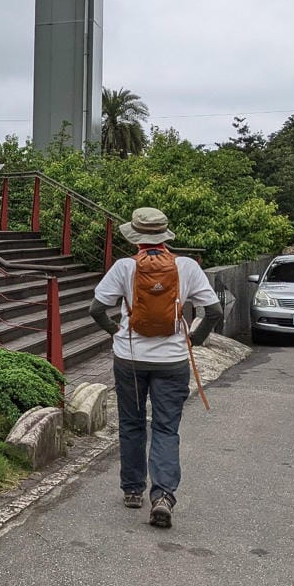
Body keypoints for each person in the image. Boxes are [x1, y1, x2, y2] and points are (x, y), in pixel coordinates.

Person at [88, 207, 223, 529]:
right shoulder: (187, 266)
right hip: (173, 361)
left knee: (131, 423)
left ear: (135, 238)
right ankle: (162, 496)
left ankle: (133, 490)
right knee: (165, 428)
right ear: (165, 235)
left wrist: (116, 332)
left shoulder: (124, 267)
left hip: (130, 359)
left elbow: (96, 309)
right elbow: (214, 311)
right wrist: (194, 339)